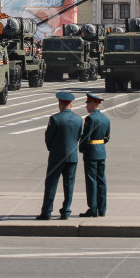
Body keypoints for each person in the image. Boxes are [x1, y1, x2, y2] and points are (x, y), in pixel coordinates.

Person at [37, 92, 83, 220]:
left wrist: (52, 149)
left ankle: (46, 211)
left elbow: (48, 137)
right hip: (72, 156)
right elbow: (78, 136)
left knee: (51, 184)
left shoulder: (55, 119)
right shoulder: (79, 119)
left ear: (59, 104)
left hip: (57, 156)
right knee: (69, 184)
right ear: (71, 104)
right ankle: (66, 211)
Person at [79, 93, 111, 218]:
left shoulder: (90, 118)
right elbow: (107, 137)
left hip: (91, 152)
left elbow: (85, 137)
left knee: (91, 181)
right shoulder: (105, 118)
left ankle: (93, 209)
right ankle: (102, 209)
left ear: (93, 104)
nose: (86, 107)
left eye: (88, 104)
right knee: (101, 181)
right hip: (101, 151)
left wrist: (81, 148)